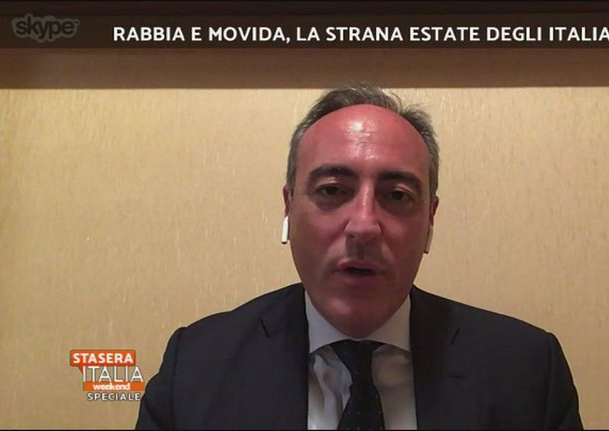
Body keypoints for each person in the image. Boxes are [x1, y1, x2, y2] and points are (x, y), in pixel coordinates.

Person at [136, 84, 583, 430]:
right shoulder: (195, 367)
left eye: (397, 195)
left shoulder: (526, 370)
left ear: (429, 220)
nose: (364, 225)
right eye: (333, 190)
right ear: (289, 207)